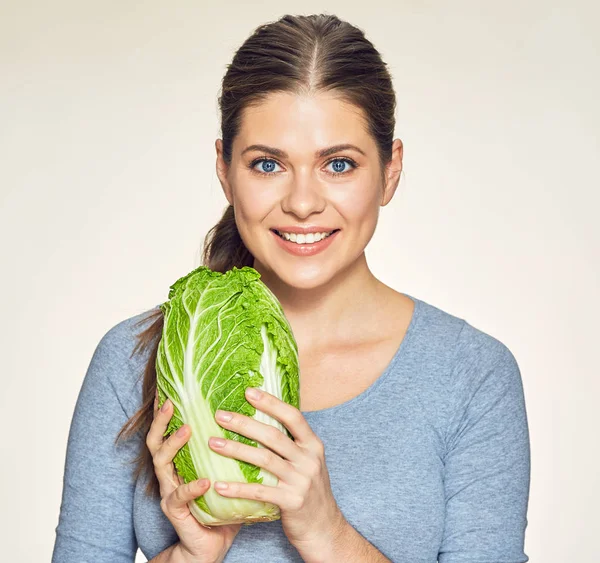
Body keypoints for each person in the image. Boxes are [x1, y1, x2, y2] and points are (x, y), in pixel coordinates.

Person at [51, 13, 531, 563]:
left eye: (339, 164)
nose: (303, 202)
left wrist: (328, 534)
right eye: (268, 164)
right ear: (225, 170)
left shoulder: (470, 376)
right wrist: (188, 558)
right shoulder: (136, 358)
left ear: (390, 171)